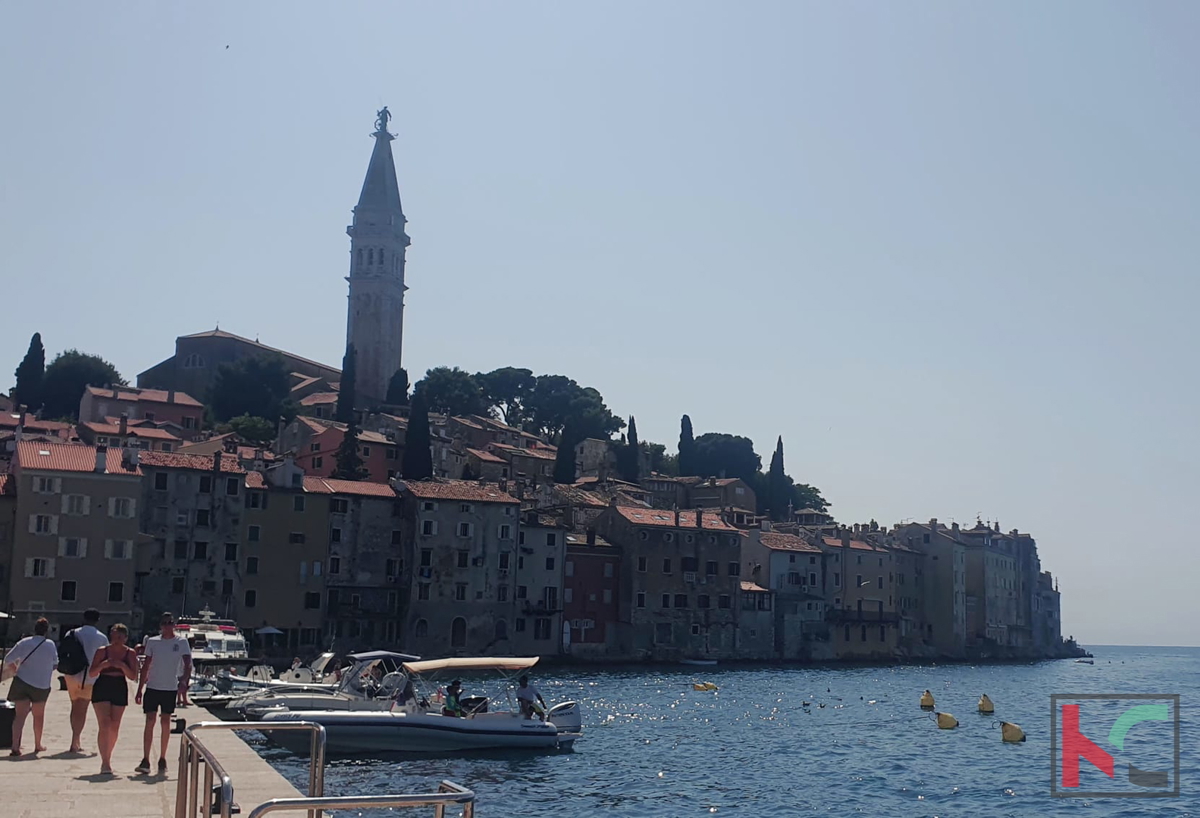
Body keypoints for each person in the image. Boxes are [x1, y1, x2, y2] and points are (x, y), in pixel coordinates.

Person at [135, 612, 192, 775]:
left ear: (174, 625)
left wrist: (184, 682)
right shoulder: (153, 642)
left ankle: (162, 757)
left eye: (170, 623)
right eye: (164, 623)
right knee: (150, 720)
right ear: (160, 626)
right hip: (153, 686)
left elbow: (188, 663)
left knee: (165, 720)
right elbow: (146, 665)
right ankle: (146, 758)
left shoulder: (181, 642)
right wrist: (140, 689)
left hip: (170, 687)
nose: (167, 626)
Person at [89, 624, 139, 776]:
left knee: (115, 725)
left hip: (119, 686)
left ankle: (108, 754)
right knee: (104, 723)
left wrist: (122, 666)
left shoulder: (130, 653)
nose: (116, 640)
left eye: (119, 637)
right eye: (114, 636)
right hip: (103, 684)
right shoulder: (102, 651)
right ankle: (105, 762)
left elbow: (133, 676)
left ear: (125, 638)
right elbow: (92, 673)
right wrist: (104, 665)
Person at [3, 617, 58, 756]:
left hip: (22, 681)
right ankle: (38, 744)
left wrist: (14, 668)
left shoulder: (24, 642)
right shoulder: (50, 644)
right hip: (41, 685)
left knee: (20, 716)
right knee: (38, 716)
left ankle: (15, 746)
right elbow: (55, 664)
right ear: (46, 631)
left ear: (34, 629)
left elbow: (7, 659)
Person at [63, 608, 109, 753]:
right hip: (89, 677)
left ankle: (74, 738)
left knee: (74, 707)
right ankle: (75, 741)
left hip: (70, 674)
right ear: (97, 620)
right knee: (82, 709)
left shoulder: (71, 633)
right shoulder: (101, 637)